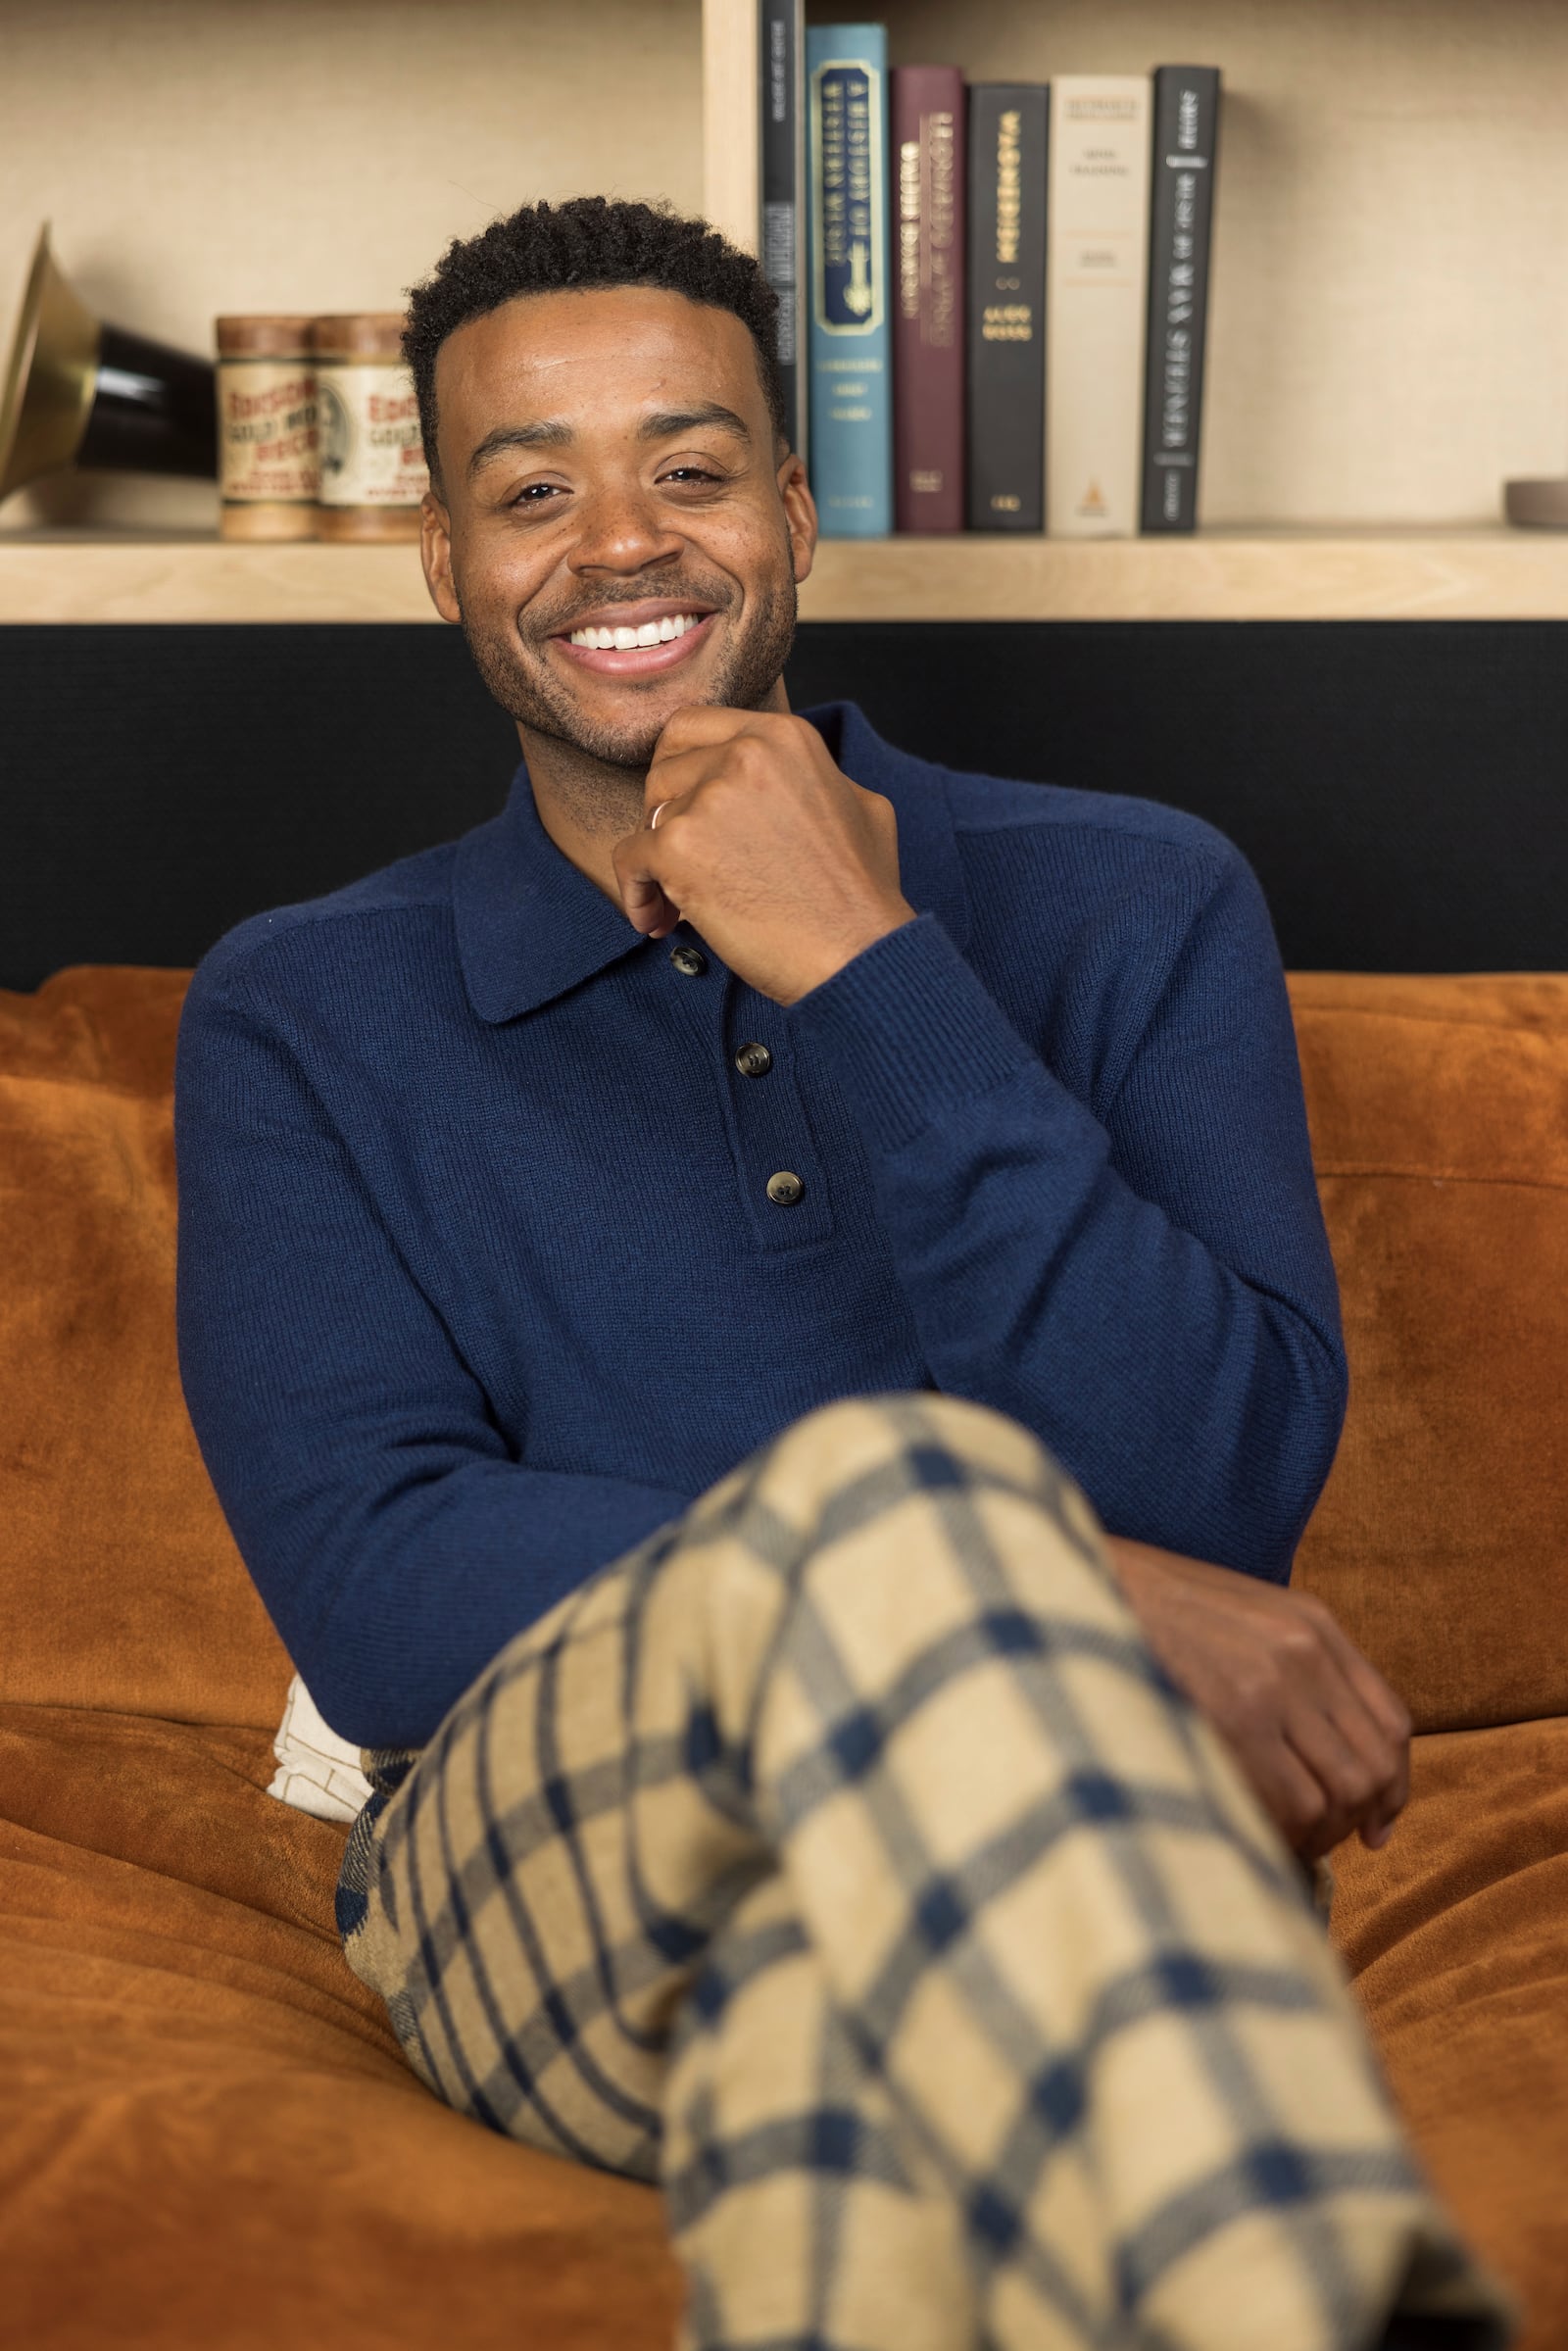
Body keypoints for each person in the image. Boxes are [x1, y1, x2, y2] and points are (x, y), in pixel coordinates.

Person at [174, 199, 1508, 2349]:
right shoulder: (298, 1011)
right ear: (444, 563)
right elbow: (382, 1583)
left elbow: (1216, 1491)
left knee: (872, 2069)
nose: (619, 542)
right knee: (920, 1577)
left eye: (688, 470)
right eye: (531, 489)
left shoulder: (1129, 900)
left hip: (1057, 1829)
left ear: (789, 516)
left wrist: (869, 971)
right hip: (551, 1851)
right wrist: (987, 1555)